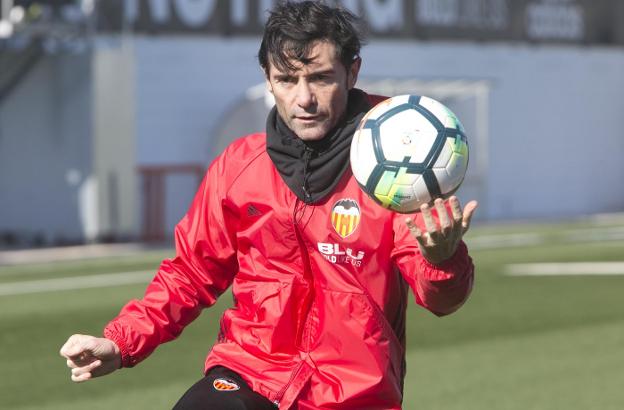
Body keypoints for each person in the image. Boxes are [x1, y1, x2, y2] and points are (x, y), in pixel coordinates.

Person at [60, 1, 478, 409]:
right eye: (287, 79)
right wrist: (121, 340)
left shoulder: (395, 174)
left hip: (353, 393)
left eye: (320, 78)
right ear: (267, 78)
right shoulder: (241, 166)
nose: (304, 99)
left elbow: (442, 301)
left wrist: (442, 258)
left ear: (352, 72)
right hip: (250, 372)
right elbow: (190, 273)